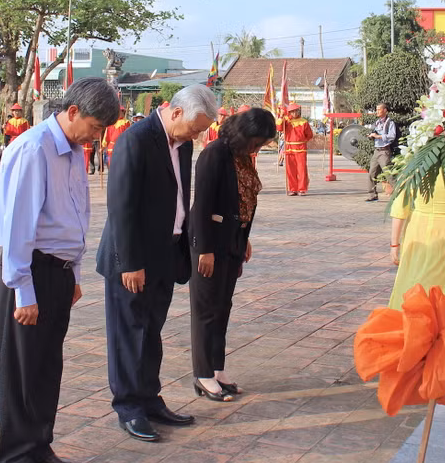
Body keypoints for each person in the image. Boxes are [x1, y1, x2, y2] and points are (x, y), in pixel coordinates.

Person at [0, 77, 120, 463]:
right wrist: (23, 291)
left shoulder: (74, 151)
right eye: (96, 126)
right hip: (30, 271)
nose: (97, 136)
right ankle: (15, 455)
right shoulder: (34, 149)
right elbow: (17, 228)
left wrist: (76, 273)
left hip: (60, 272)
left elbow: (76, 215)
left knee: (48, 365)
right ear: (71, 113)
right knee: (23, 367)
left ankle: (39, 444)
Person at [96, 85, 218, 443]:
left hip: (167, 252)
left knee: (151, 333)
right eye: (196, 126)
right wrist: (129, 262)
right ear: (176, 112)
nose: (197, 134)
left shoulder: (184, 144)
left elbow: (180, 196)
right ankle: (129, 407)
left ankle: (150, 399)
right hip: (133, 257)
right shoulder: (136, 139)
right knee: (128, 335)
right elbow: (121, 206)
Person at [189, 108, 275, 402]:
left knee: (223, 307)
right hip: (210, 245)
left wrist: (244, 236)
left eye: (261, 144)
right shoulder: (215, 153)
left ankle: (217, 368)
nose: (257, 148)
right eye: (255, 141)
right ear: (242, 133)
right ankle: (202, 374)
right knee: (206, 309)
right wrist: (204, 249)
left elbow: (245, 201)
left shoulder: (241, 157)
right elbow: (202, 204)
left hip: (233, 242)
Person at [388, 174, 445, 309]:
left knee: (412, 274)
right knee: (442, 278)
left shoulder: (416, 169)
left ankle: (411, 314)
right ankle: (437, 318)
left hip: (418, 227)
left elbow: (400, 210)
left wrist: (394, 244)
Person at [277, 103, 313, 196]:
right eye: (292, 112)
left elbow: (309, 135)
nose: (294, 113)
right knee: (290, 170)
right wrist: (281, 115)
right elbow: (279, 128)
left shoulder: (304, 122)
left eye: (295, 111)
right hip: (289, 148)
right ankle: (293, 189)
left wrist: (302, 141)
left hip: (301, 149)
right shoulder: (287, 121)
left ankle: (302, 189)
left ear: (298, 111)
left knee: (302, 170)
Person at [366, 103, 397, 202]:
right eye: (376, 109)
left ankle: (400, 193)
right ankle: (372, 195)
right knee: (371, 174)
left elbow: (392, 136)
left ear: (385, 110)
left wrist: (378, 136)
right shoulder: (377, 123)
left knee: (389, 174)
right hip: (377, 151)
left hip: (384, 151)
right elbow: (374, 133)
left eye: (379, 109)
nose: (377, 111)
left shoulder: (390, 123)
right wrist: (371, 136)